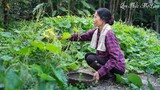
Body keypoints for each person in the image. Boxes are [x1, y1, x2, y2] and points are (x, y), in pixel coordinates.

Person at [59, 8, 126, 82]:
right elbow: (82, 36)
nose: (93, 19)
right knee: (88, 56)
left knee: (91, 58)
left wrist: (100, 72)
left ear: (103, 19)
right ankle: (106, 75)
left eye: (95, 17)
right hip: (107, 60)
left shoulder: (109, 34)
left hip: (118, 67)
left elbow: (114, 58)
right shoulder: (97, 31)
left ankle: (108, 76)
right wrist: (63, 37)